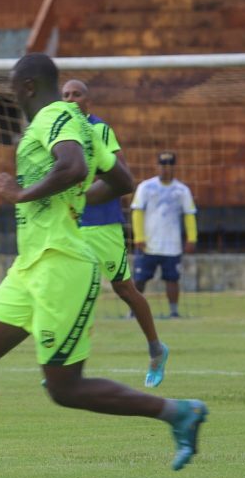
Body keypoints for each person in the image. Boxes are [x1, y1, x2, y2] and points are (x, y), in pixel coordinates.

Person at [0, 53, 208, 478]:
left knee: (65, 387)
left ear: (28, 86)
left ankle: (178, 413)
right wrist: (75, 199)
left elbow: (74, 166)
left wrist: (22, 193)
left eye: (14, 90)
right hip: (31, 264)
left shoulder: (53, 116)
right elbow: (122, 180)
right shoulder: (79, 123)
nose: (13, 98)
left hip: (62, 264)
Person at [61, 79, 169, 388]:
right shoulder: (58, 135)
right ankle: (68, 368)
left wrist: (83, 197)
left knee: (124, 290)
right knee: (75, 292)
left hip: (103, 225)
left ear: (87, 102)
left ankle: (156, 349)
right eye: (65, 94)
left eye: (76, 94)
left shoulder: (100, 130)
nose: (70, 99)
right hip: (71, 227)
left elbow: (120, 177)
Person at [131, 152, 197, 318]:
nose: (165, 169)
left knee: (172, 279)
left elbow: (189, 214)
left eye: (169, 166)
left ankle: (174, 311)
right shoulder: (146, 187)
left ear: (174, 168)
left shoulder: (182, 190)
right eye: (162, 166)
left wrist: (192, 238)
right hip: (149, 244)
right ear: (157, 166)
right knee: (139, 280)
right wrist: (138, 236)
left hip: (172, 245)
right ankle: (133, 310)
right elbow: (137, 212)